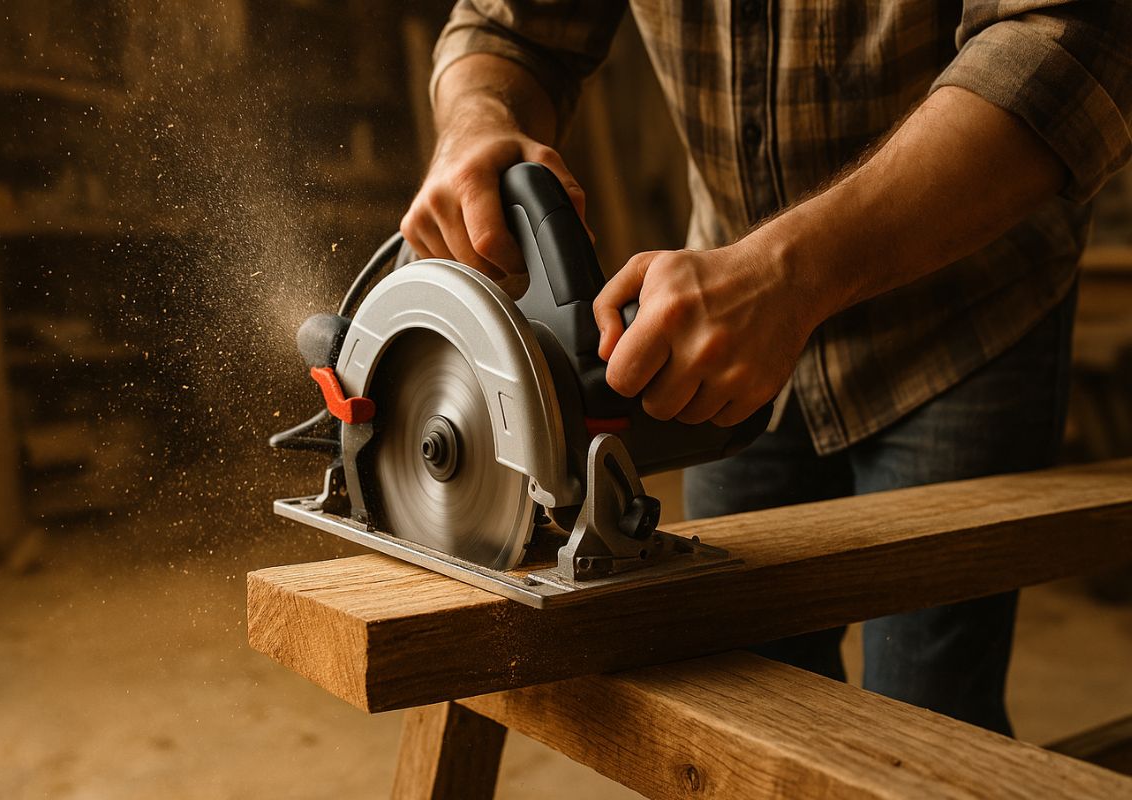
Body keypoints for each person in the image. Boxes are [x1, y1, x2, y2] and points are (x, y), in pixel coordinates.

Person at [399, 1, 1132, 734]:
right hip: (721, 336)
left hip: (955, 314)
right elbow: (508, 29)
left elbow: (1065, 44)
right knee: (739, 702)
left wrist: (791, 275)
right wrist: (476, 120)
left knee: (925, 719)